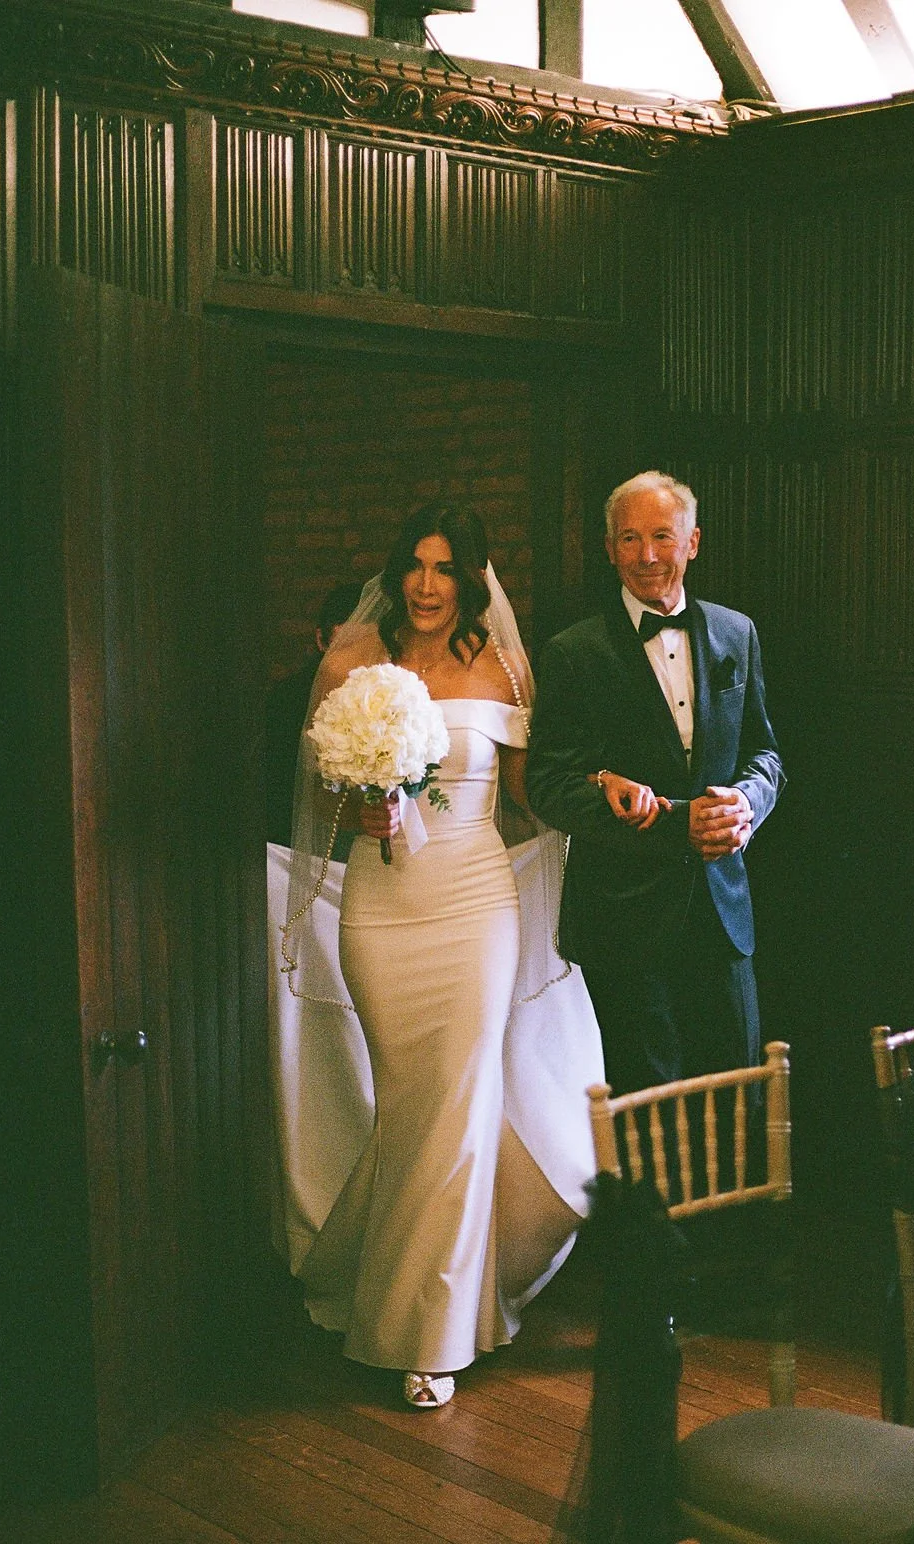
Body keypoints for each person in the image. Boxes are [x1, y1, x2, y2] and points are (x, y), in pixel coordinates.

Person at [274, 503, 604, 1411]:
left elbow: (533, 801)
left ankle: (432, 1337)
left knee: (460, 1104)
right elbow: (316, 796)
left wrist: (610, 795)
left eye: (445, 567)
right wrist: (363, 807)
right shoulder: (352, 661)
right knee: (411, 1105)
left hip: (474, 902)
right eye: (414, 566)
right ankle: (374, 1277)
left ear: (471, 579)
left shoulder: (501, 664)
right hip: (382, 907)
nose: (426, 584)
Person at [526, 469, 784, 1101]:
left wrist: (746, 801)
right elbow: (548, 781)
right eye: (630, 539)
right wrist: (655, 815)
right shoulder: (571, 652)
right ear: (609, 548)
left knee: (737, 1091)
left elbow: (764, 753)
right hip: (624, 916)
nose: (647, 556)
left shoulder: (736, 633)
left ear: (692, 542)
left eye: (663, 536)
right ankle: (648, 1207)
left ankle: (739, 1207)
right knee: (648, 1107)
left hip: (721, 910)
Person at [265, 581, 363, 846]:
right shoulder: (289, 699)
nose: (356, 661)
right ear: (321, 640)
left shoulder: (387, 697)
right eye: (346, 645)